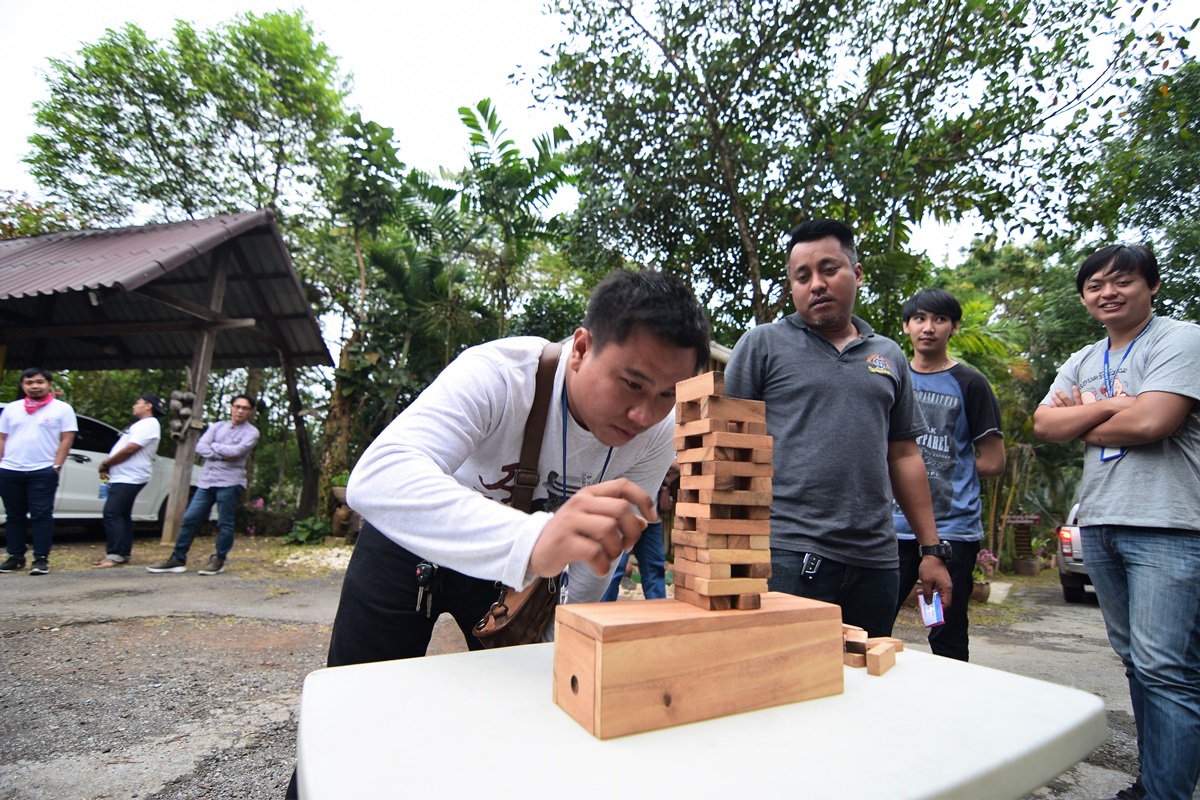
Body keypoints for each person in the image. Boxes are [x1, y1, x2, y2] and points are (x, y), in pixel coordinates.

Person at [326, 270, 710, 667]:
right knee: (362, 689)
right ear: (581, 349)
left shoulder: (659, 433)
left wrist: (557, 645)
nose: (644, 415)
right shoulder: (500, 375)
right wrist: (532, 539)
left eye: (667, 393)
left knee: (519, 684)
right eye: (632, 384)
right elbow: (377, 477)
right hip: (411, 540)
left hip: (509, 571)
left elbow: (599, 557)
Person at [723, 219, 953, 638]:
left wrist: (931, 549)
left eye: (829, 270)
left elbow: (904, 454)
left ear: (857, 273)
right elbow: (726, 444)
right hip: (788, 551)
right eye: (802, 276)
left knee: (868, 671)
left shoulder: (888, 355)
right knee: (788, 671)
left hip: (876, 561)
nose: (816, 284)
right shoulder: (762, 345)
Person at [1033, 244, 1200, 800]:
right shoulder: (1085, 359)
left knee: (1165, 668)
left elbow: (1154, 422)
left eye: (1121, 281)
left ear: (1151, 285)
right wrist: (1113, 407)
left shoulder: (1180, 339)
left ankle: (1167, 793)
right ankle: (1152, 782)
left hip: (1167, 525)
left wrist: (1082, 419)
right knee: (1136, 664)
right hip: (1100, 523)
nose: (1107, 292)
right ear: (1085, 297)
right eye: (1094, 285)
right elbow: (1044, 425)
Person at [892, 289, 1005, 661]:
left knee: (946, 633)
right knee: (870, 624)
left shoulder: (971, 383)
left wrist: (940, 472)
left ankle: (950, 697)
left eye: (939, 319)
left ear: (954, 327)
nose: (928, 328)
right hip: (890, 527)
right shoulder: (891, 377)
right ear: (906, 326)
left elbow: (993, 461)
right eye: (919, 319)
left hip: (951, 531)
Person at [147, 394, 259, 576]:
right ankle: (177, 558)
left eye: (245, 408)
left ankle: (218, 559)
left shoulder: (251, 432)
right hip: (207, 481)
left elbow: (237, 452)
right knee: (190, 518)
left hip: (231, 482)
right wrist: (222, 454)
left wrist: (214, 447)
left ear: (251, 412)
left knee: (225, 522)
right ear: (231, 407)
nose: (240, 411)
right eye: (237, 406)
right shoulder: (217, 426)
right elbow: (200, 446)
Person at [0, 368, 78, 576]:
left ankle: (41, 559)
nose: (35, 386)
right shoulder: (12, 409)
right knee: (14, 515)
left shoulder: (62, 409)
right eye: (29, 383)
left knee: (41, 515)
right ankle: (15, 556)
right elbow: (2, 438)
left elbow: (67, 439)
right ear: (22, 386)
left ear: (49, 384)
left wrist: (57, 466)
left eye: (40, 382)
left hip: (43, 470)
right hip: (10, 469)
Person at [92, 394, 164, 568]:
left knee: (112, 512)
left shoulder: (149, 424)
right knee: (122, 514)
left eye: (137, 403)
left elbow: (130, 449)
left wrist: (107, 463)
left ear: (148, 406)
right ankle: (122, 553)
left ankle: (114, 554)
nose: (134, 406)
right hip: (123, 476)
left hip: (131, 476)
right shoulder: (141, 424)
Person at [601, 459, 678, 601]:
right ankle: (602, 612)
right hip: (623, 514)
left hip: (651, 516)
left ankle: (659, 612)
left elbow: (678, 465)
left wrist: (666, 466)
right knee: (615, 568)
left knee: (654, 568)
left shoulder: (665, 447)